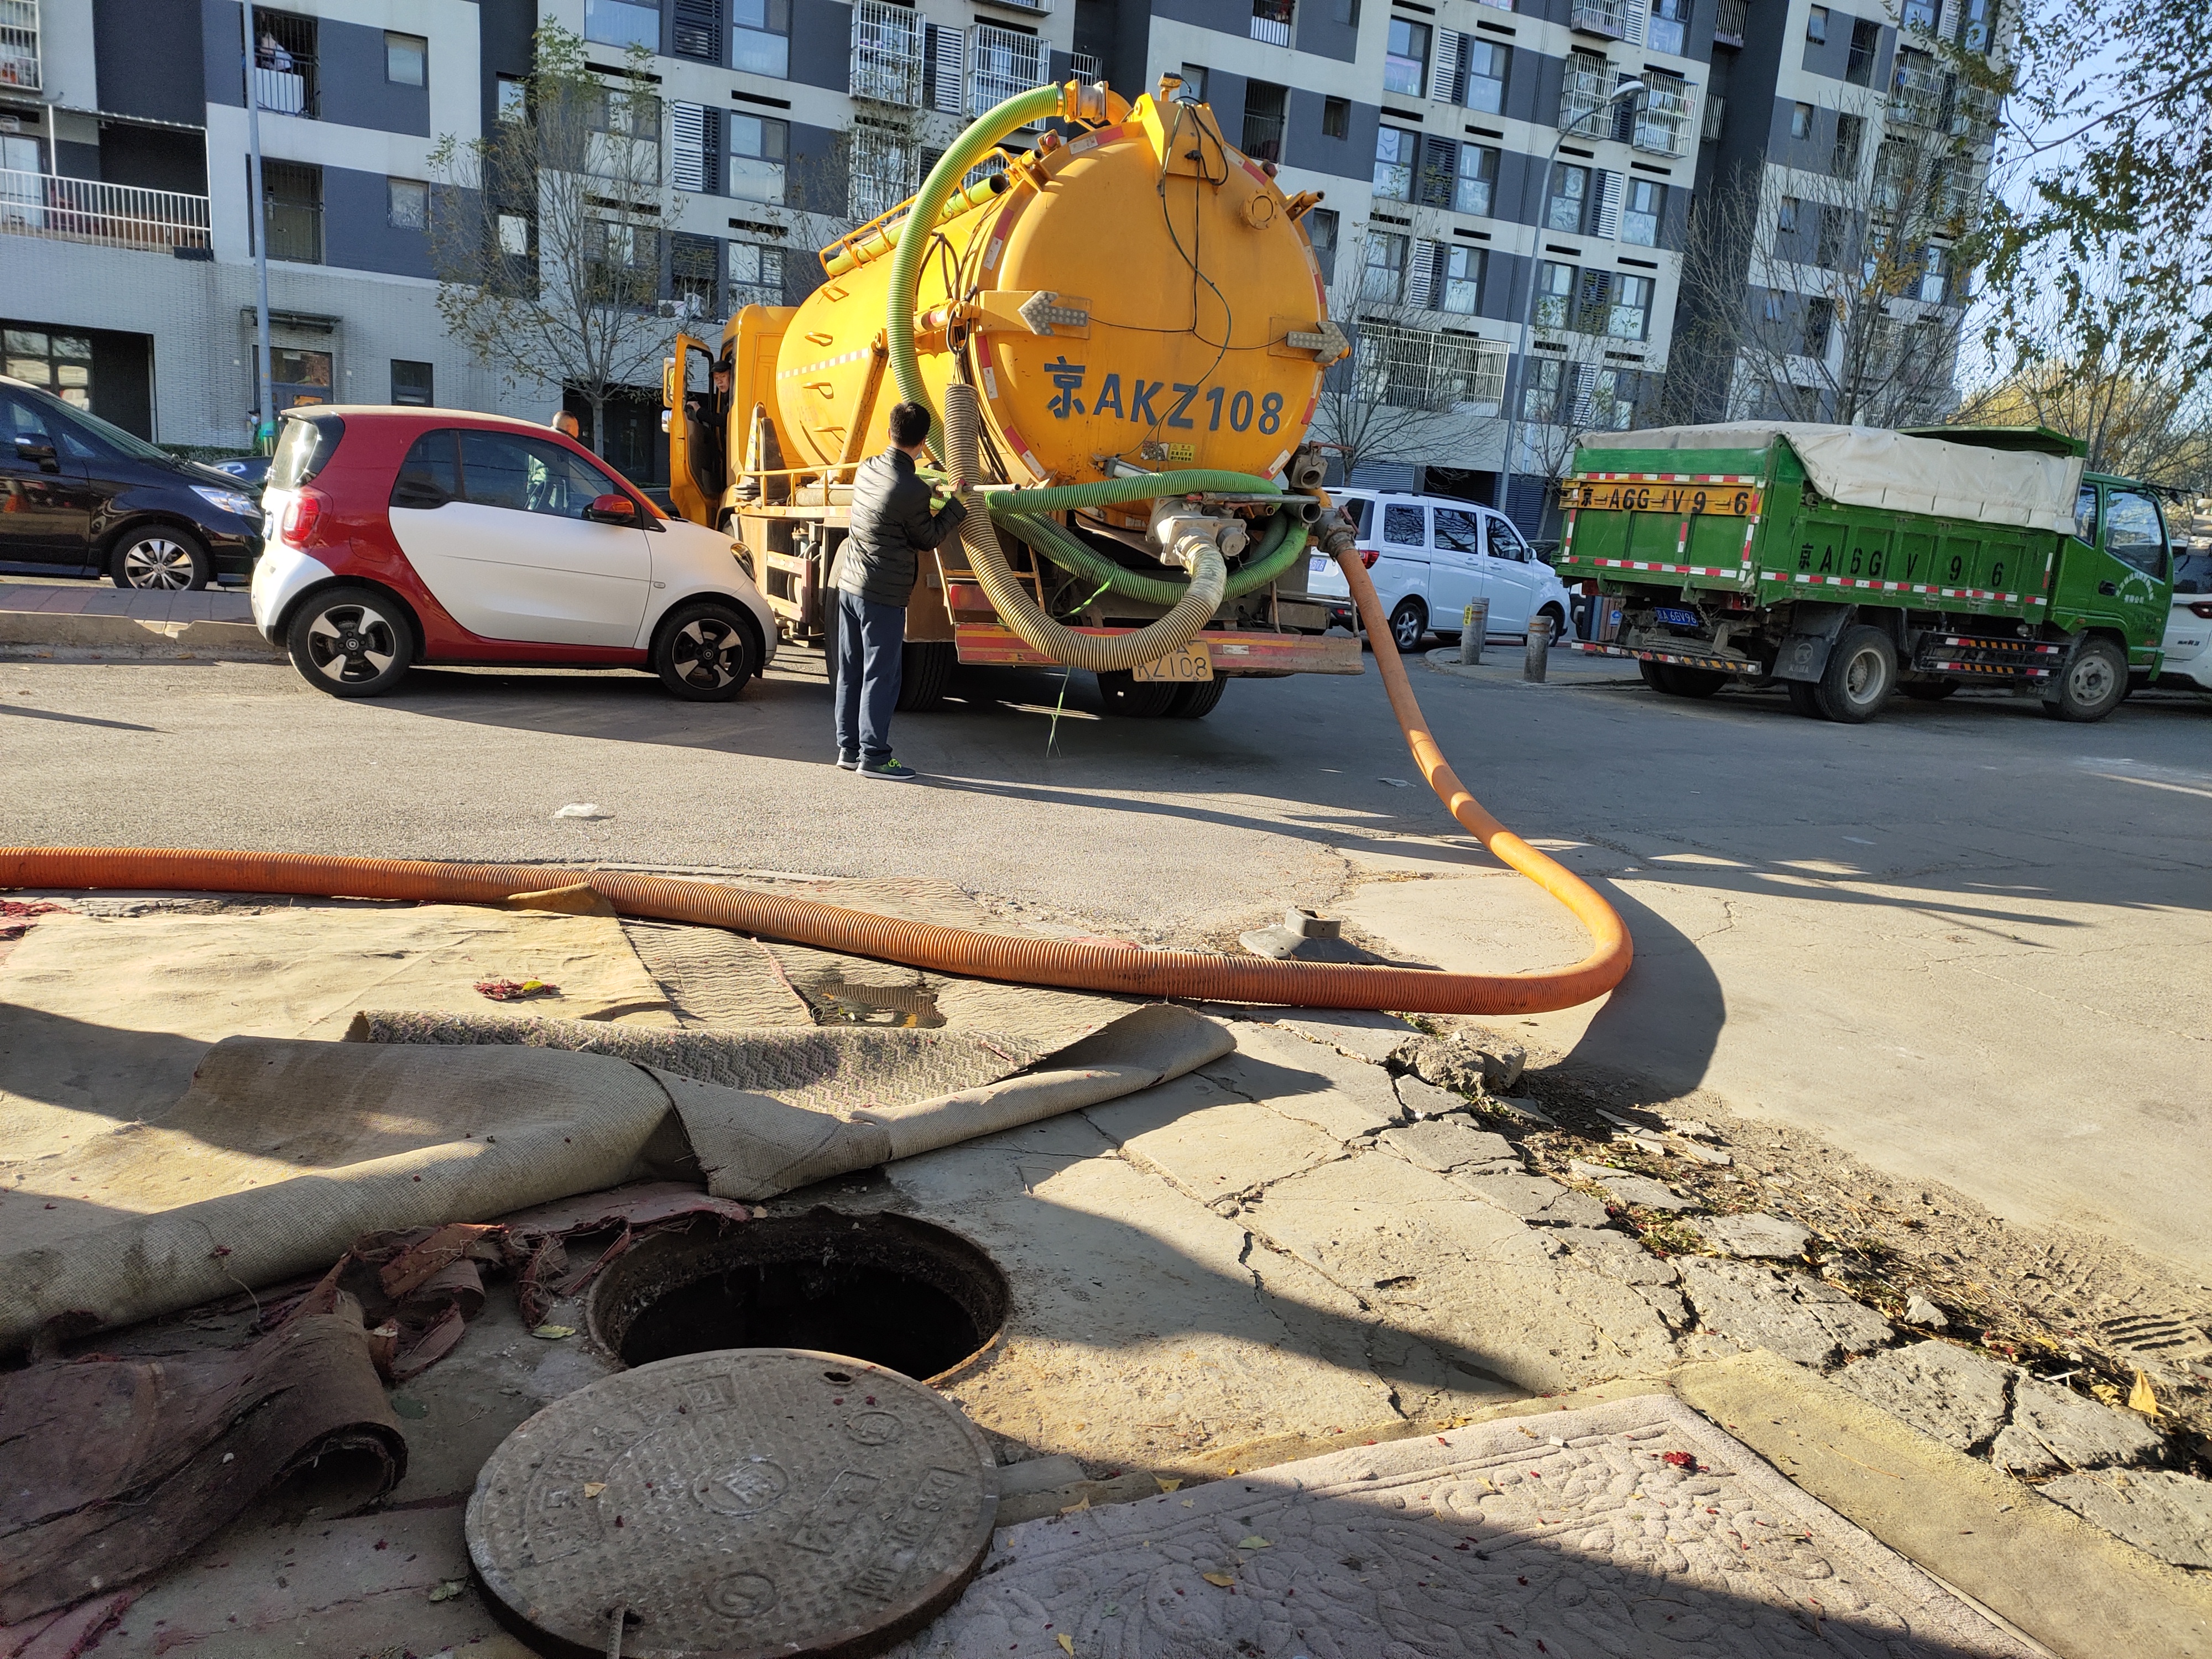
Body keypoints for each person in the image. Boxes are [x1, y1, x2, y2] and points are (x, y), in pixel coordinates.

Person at [834, 400, 965, 780]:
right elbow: (927, 539)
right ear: (924, 442)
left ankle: (849, 748)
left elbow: (900, 489)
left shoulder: (868, 469)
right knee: (882, 675)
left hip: (850, 585)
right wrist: (955, 505)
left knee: (851, 669)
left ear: (890, 433)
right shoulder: (910, 489)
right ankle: (874, 757)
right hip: (882, 594)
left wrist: (929, 483)